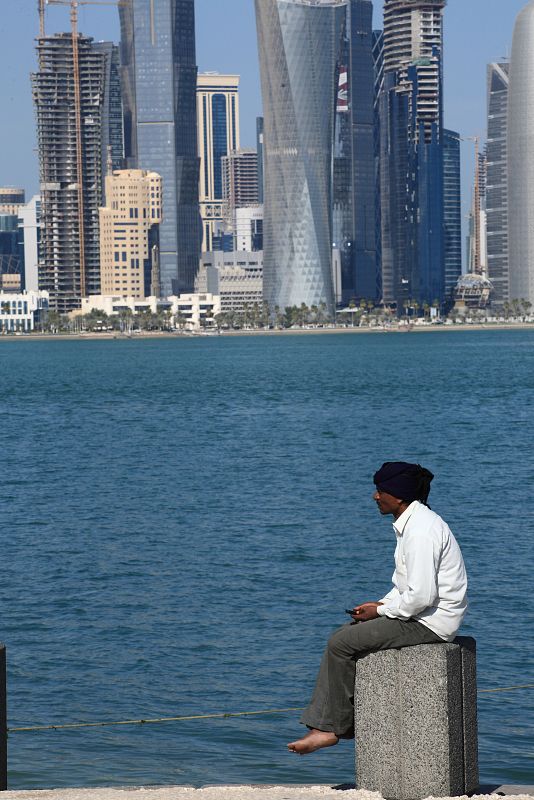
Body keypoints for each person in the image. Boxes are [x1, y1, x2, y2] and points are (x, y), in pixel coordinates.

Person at [288, 461, 468, 756]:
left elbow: (421, 596)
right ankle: (332, 725)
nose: (375, 497)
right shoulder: (415, 522)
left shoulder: (421, 531)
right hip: (423, 614)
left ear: (397, 496)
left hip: (432, 622)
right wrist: (381, 604)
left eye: (380, 490)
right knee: (351, 632)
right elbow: (406, 587)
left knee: (340, 642)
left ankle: (329, 729)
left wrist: (382, 612)